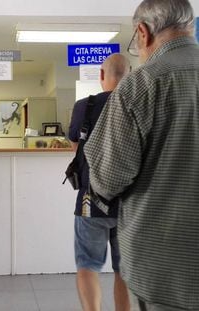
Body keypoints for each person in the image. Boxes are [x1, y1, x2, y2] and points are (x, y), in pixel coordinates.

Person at [84, 0, 199, 309]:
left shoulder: (140, 85)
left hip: (165, 266)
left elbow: (108, 180)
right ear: (190, 27)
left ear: (142, 32)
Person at [68, 53, 131, 311]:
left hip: (90, 200)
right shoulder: (137, 104)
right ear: (130, 75)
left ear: (102, 75)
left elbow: (76, 146)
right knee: (124, 269)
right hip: (129, 202)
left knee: (87, 265)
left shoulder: (85, 106)